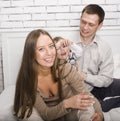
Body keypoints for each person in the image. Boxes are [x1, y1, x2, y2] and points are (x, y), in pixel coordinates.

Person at [13, 29, 104, 121]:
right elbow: (46, 114)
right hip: (45, 115)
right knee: (25, 112)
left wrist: (100, 113)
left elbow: (86, 95)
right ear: (31, 54)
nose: (49, 53)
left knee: (86, 106)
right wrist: (67, 104)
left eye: (51, 46)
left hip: (68, 114)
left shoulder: (65, 68)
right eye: (41, 49)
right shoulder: (29, 80)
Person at [75, 4, 120, 112]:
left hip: (97, 85)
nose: (85, 27)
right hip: (78, 92)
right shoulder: (67, 43)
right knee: (97, 108)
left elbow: (107, 79)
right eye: (83, 22)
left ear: (99, 26)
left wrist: (85, 77)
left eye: (91, 24)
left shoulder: (104, 47)